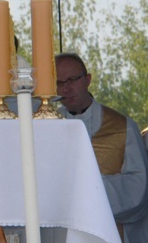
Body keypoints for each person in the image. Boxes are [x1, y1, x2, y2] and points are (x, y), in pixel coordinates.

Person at [56, 52, 148, 242]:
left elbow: (139, 186)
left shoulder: (123, 127)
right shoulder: (47, 128)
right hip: (61, 232)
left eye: (72, 79)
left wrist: (90, 191)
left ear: (87, 79)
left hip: (111, 231)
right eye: (59, 83)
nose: (66, 88)